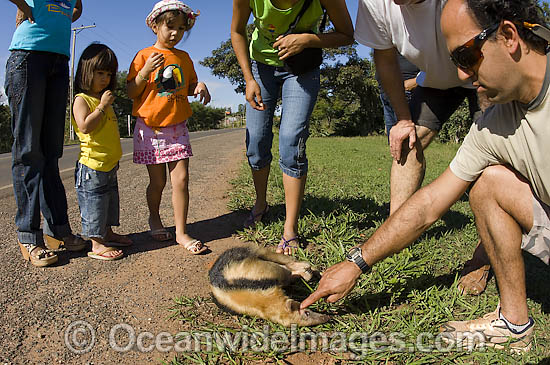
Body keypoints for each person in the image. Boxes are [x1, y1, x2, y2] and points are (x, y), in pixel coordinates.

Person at [302, 0, 550, 352]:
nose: (462, 76)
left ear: (509, 36)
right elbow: (430, 204)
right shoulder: (491, 128)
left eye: (466, 57)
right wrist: (356, 263)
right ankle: (513, 323)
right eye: (455, 63)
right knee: (487, 183)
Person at [355, 0, 491, 295]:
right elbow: (386, 60)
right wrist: (403, 119)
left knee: (491, 166)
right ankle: (395, 233)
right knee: (407, 143)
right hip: (437, 82)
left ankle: (483, 257)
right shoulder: (373, 4)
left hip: (482, 71)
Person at [231, 0, 354, 255]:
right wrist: (248, 78)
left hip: (301, 70)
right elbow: (237, 31)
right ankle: (260, 204)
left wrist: (307, 40)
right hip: (260, 68)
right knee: (255, 143)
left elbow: (347, 35)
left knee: (291, 140)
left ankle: (290, 228)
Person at [5, 0, 87, 268]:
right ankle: (29, 236)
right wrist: (25, 8)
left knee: (51, 152)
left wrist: (62, 19)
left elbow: (76, 8)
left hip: (59, 60)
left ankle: (58, 231)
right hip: (29, 57)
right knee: (29, 151)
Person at [127, 0, 210, 255]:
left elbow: (190, 85)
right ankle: (154, 218)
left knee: (181, 180)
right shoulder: (143, 55)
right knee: (158, 182)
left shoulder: (184, 58)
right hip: (150, 128)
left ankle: (181, 232)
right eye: (170, 26)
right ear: (155, 26)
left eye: (181, 29)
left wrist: (200, 86)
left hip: (177, 126)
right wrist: (145, 72)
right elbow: (131, 91)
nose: (175, 33)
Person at [71, 43, 133, 261]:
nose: (105, 78)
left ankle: (106, 233)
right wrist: (101, 107)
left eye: (108, 74)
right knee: (94, 204)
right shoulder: (82, 99)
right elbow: (85, 126)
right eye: (100, 73)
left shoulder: (104, 100)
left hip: (108, 164)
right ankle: (96, 244)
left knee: (109, 200)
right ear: (87, 72)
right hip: (92, 166)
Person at [375, 52, 420, 137]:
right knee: (393, 140)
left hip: (403, 93)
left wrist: (415, 82)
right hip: (385, 94)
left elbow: (432, 66)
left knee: (404, 138)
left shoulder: (418, 42)